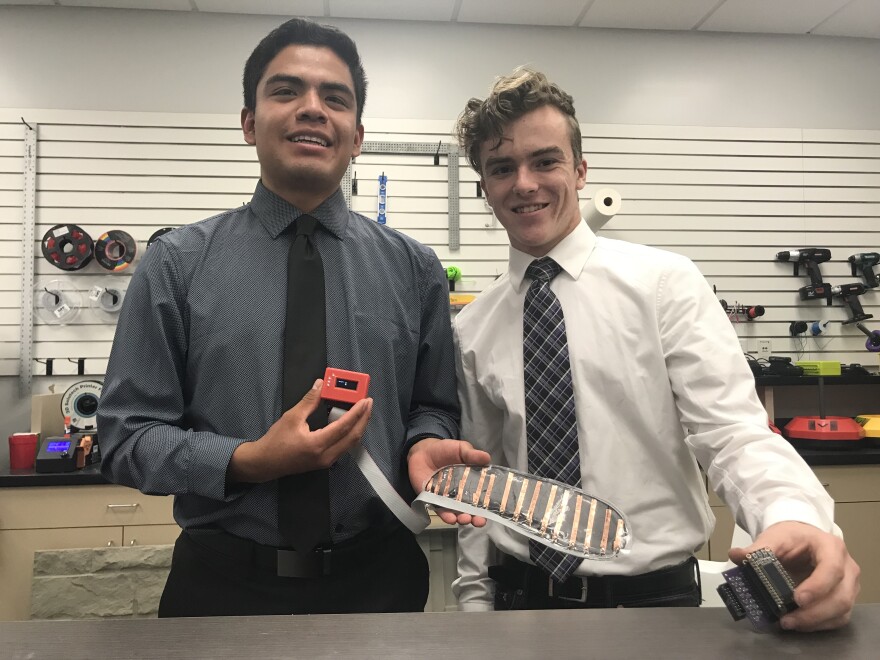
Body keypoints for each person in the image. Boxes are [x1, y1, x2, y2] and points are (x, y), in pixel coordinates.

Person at [97, 17, 487, 618]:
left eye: (335, 98)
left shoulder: (416, 269)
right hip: (222, 589)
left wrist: (426, 442)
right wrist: (248, 461)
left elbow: (431, 404)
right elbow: (125, 438)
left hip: (380, 587)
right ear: (249, 124)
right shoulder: (175, 265)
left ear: (357, 135)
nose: (312, 109)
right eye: (286, 91)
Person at [450, 67, 859, 630]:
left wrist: (795, 519)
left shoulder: (665, 284)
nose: (524, 183)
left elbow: (732, 433)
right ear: (485, 186)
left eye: (545, 161)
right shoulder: (473, 328)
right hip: (521, 606)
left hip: (654, 608)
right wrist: (473, 606)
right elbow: (483, 479)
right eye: (502, 168)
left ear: (581, 170)